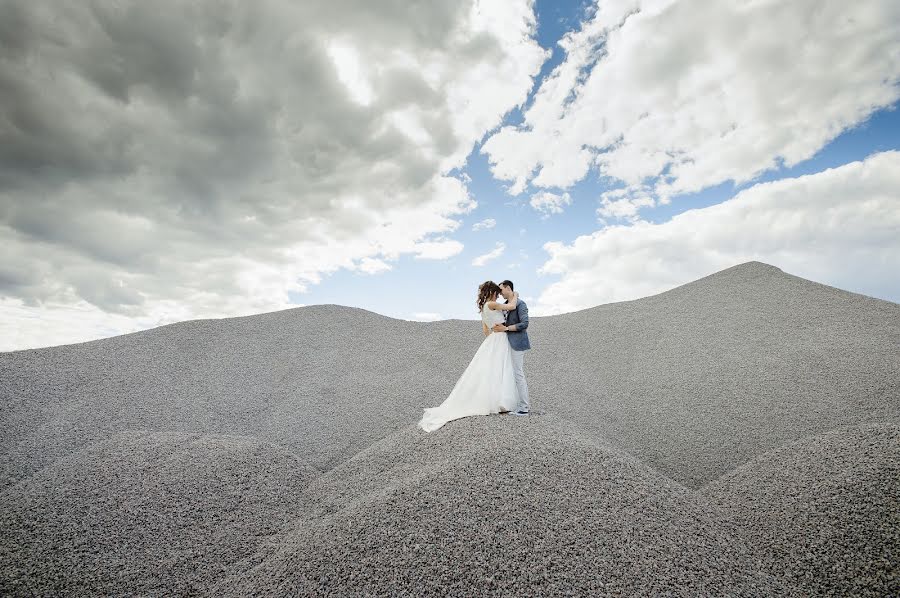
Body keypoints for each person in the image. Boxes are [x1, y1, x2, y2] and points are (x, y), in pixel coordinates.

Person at [418, 281, 521, 432]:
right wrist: (515, 294)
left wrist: (494, 331)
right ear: (492, 293)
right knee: (502, 368)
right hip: (500, 339)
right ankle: (502, 402)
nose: (499, 296)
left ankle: (497, 401)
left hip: (492, 339)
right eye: (497, 293)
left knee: (493, 370)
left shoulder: (484, 309)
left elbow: (486, 330)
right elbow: (512, 306)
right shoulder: (492, 304)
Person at [492, 280, 530, 415]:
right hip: (506, 343)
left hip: (517, 343)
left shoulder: (520, 304)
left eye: (501, 290)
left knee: (518, 373)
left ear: (508, 288)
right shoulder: (507, 305)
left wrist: (506, 328)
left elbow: (524, 324)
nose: (500, 293)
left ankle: (524, 407)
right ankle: (512, 403)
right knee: (509, 373)